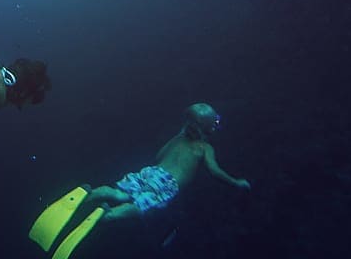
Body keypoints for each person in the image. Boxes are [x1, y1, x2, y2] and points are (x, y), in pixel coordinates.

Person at [29, 103, 249, 259]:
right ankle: (105, 216)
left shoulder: (178, 138)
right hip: (167, 184)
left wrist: (178, 138)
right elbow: (215, 171)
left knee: (119, 192)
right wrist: (235, 182)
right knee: (137, 206)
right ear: (209, 127)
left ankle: (91, 194)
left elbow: (159, 156)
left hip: (150, 172)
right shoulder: (204, 148)